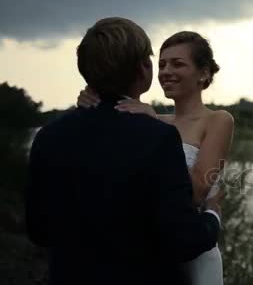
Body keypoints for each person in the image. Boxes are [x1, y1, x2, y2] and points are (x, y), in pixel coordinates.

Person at [26, 18, 222, 285]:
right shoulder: (158, 138)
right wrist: (213, 218)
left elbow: (38, 230)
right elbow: (183, 239)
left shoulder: (48, 137)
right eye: (158, 61)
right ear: (143, 69)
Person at [77, 31, 234, 285]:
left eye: (177, 64)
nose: (165, 71)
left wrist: (152, 124)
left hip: (195, 253)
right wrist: (91, 100)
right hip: (151, 247)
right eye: (162, 64)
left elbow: (196, 192)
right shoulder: (152, 120)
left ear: (203, 73)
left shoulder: (218, 120)